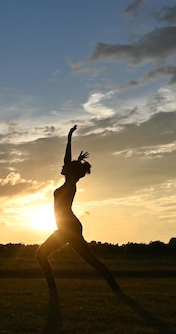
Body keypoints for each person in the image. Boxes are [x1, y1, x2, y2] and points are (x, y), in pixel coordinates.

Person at [36, 125, 121, 294]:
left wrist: (69, 138)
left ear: (70, 171)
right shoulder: (68, 184)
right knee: (89, 260)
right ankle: (116, 289)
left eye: (65, 167)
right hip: (66, 227)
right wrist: (77, 160)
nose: (61, 167)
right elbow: (68, 164)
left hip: (69, 227)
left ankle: (53, 290)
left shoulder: (70, 184)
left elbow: (67, 161)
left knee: (42, 255)